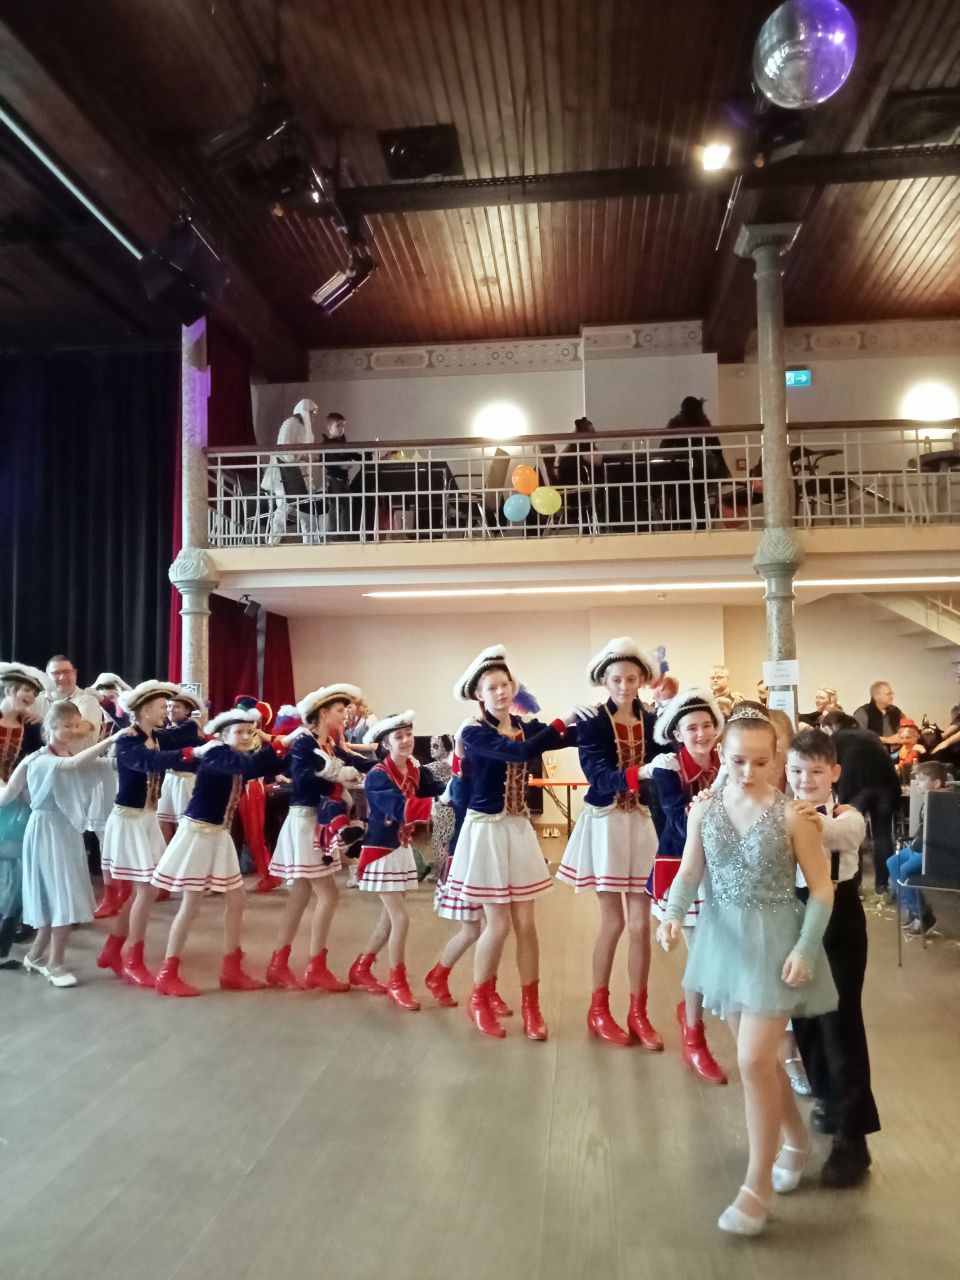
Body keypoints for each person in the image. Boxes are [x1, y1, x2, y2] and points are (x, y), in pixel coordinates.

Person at [657, 705, 836, 1236]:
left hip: (775, 943)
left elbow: (821, 889)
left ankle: (756, 1188)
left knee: (753, 1059)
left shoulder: (792, 816)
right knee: (760, 1062)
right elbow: (690, 870)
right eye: (738, 760)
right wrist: (671, 914)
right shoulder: (705, 810)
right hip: (724, 941)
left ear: (777, 759)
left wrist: (806, 946)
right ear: (722, 755)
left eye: (761, 762)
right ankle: (796, 1140)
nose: (749, 771)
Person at [446, 644, 578, 1040]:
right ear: (479, 694)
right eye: (492, 687)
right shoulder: (473, 733)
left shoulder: (523, 726)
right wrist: (561, 722)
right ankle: (478, 999)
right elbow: (518, 753)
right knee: (498, 924)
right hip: (486, 830)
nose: (501, 692)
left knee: (526, 924)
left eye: (505, 684)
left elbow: (562, 738)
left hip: (517, 830)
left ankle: (531, 1008)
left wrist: (595, 720)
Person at [556, 638, 665, 1049]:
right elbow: (598, 777)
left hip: (641, 824)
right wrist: (643, 773)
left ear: (641, 680)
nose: (624, 685)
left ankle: (639, 1012)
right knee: (614, 922)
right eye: (616, 679)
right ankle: (598, 1009)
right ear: (605, 681)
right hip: (605, 824)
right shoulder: (592, 722)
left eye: (631, 678)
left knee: (641, 924)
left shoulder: (654, 719)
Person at [787, 729, 880, 1189]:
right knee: (804, 1018)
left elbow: (845, 835)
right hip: (793, 916)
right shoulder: (780, 812)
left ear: (835, 773)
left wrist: (812, 822)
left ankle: (853, 1137)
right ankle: (827, 1098)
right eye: (796, 771)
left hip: (839, 918)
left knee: (840, 1021)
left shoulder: (848, 816)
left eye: (816, 771)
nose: (805, 780)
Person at [150, 709, 288, 996]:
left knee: (236, 900)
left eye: (250, 732)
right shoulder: (216, 754)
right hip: (198, 834)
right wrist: (279, 743)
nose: (247, 737)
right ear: (223, 736)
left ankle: (231, 969)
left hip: (217, 834)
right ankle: (167, 971)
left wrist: (292, 748)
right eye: (239, 732)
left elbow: (262, 765)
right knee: (190, 905)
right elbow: (251, 765)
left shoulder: (233, 757)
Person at [0, 700, 119, 986]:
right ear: (51, 727)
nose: (73, 731)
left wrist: (131, 755)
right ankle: (54, 963)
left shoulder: (68, 754)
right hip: (45, 831)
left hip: (66, 832)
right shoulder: (38, 760)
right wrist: (112, 739)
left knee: (56, 896)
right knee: (60, 895)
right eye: (67, 725)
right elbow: (70, 766)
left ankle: (35, 956)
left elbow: (93, 767)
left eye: (76, 725)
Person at [265, 683, 372, 994]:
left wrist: (389, 764)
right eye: (340, 710)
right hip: (307, 822)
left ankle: (278, 964)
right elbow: (302, 781)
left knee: (300, 895)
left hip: (316, 821)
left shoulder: (329, 744)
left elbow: (355, 760)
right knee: (328, 895)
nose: (345, 715)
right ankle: (315, 967)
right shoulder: (303, 743)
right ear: (323, 713)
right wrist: (335, 779)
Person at [95, 681, 200, 987]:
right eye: (161, 707)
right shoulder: (128, 740)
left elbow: (188, 734)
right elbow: (148, 761)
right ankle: (132, 958)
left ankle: (114, 949)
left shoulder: (159, 736)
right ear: (143, 710)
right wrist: (191, 752)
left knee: (147, 891)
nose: (166, 711)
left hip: (147, 818)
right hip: (129, 820)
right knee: (145, 890)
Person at [649, 686, 727, 1083]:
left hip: (725, 869)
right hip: (682, 869)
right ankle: (694, 1036)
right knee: (700, 955)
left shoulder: (728, 761)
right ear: (677, 734)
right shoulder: (668, 769)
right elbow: (679, 824)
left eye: (707, 725)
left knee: (720, 952)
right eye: (691, 728)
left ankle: (691, 1013)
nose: (701, 734)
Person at [353, 711, 445, 1010]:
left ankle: (361, 967)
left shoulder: (415, 770)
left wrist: (460, 782)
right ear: (385, 743)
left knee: (388, 918)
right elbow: (398, 807)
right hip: (380, 852)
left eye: (408, 734)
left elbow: (440, 788)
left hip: (401, 849)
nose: (406, 741)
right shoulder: (378, 775)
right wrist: (436, 804)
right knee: (400, 918)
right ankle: (397, 981)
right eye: (398, 736)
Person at [820, 711, 900, 894]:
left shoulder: (835, 739)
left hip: (856, 786)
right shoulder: (870, 734)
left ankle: (854, 885)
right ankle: (883, 886)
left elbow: (833, 768)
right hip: (886, 785)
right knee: (882, 835)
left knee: (852, 833)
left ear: (831, 727)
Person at [0, 663, 46, 959]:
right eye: (25, 690)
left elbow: (37, 762)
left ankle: (8, 928)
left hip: (14, 801)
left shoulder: (30, 727)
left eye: (33, 693)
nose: (30, 696)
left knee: (15, 865)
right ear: (9, 689)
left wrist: (43, 724)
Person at [885, 759, 948, 936]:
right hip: (920, 847)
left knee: (905, 870)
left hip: (934, 851)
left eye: (921, 780)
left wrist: (917, 846)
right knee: (892, 862)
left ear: (936, 783)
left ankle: (923, 914)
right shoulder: (928, 800)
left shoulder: (946, 804)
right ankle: (914, 910)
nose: (917, 783)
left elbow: (939, 835)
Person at [659, 396, 729, 530]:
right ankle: (701, 528)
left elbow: (663, 448)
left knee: (679, 502)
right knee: (699, 501)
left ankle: (680, 528)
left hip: (678, 472)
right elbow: (717, 448)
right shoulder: (704, 425)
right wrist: (721, 467)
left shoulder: (675, 424)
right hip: (700, 472)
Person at [262, 398, 320, 543]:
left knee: (307, 511)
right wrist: (302, 457)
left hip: (299, 477)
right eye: (312, 412)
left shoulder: (306, 430)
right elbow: (285, 452)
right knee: (284, 507)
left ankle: (310, 544)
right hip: (284, 475)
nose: (314, 416)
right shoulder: (290, 424)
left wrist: (306, 459)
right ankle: (272, 541)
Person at [157, 688, 206, 843]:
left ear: (187, 711)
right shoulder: (167, 727)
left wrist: (145, 728)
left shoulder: (189, 726)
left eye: (177, 706)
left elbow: (165, 736)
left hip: (186, 781)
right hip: (170, 779)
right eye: (169, 706)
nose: (171, 710)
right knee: (163, 821)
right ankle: (166, 853)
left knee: (183, 825)